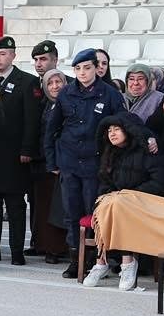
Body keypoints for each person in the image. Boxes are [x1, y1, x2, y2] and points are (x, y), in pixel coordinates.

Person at [43, 49, 124, 279]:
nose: (82, 73)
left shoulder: (109, 94)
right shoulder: (67, 93)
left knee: (92, 213)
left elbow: (122, 125)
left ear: (96, 68)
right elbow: (52, 129)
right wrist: (53, 162)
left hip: (95, 164)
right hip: (69, 162)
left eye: (87, 68)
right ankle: (75, 259)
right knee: (71, 213)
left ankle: (95, 260)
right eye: (77, 69)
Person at [82, 112, 164, 291]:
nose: (112, 134)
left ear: (128, 130)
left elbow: (159, 181)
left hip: (143, 202)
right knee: (107, 205)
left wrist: (128, 194)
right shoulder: (109, 152)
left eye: (116, 129)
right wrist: (110, 195)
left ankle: (127, 262)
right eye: (109, 130)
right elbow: (104, 182)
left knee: (119, 206)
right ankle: (102, 262)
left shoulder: (147, 150)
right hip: (115, 202)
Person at [0, 36, 40, 264]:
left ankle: (17, 250)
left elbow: (31, 120)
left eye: (3, 54)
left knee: (15, 204)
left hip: (15, 154)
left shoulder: (27, 82)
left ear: (13, 56)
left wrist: (27, 148)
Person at [31, 69, 69, 263]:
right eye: (50, 83)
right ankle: (44, 246)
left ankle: (58, 248)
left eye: (58, 82)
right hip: (42, 163)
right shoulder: (42, 105)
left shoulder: (70, 104)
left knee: (59, 209)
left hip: (61, 164)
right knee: (43, 207)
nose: (55, 87)